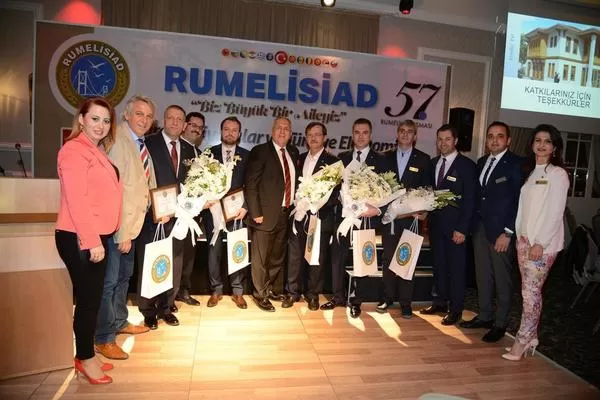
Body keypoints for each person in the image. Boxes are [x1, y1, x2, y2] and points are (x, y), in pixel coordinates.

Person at [55, 97, 122, 384]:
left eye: (106, 121)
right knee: (88, 301)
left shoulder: (96, 150)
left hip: (95, 236)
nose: (101, 125)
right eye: (95, 118)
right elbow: (77, 200)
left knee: (91, 299)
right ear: (81, 119)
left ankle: (87, 354)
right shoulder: (73, 150)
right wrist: (92, 241)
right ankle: (84, 358)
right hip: (81, 237)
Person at [94, 95, 157, 361]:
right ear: (127, 115)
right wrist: (122, 233)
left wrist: (159, 207)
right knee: (108, 283)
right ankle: (103, 338)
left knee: (123, 278)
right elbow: (115, 191)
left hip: (133, 226)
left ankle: (119, 321)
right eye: (139, 114)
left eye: (149, 116)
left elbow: (144, 183)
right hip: (117, 228)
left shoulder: (139, 142)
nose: (144, 120)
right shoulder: (119, 140)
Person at [502, 124, 569, 361]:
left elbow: (555, 212)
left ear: (555, 147)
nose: (542, 145)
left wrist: (540, 242)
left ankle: (522, 341)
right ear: (532, 144)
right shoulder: (530, 172)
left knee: (530, 294)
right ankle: (531, 337)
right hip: (524, 241)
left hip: (542, 245)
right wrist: (521, 236)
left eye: (547, 141)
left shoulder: (558, 174)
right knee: (529, 292)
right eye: (538, 140)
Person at [459, 121, 523, 343]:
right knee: (482, 275)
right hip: (479, 229)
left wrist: (508, 232)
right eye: (491, 136)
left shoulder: (516, 164)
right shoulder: (481, 162)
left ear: (508, 140)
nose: (494, 140)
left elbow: (519, 201)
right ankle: (485, 316)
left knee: (502, 279)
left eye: (500, 136)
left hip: (501, 233)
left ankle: (501, 323)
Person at [135, 105, 196, 329]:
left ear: (185, 125)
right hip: (153, 218)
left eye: (179, 120)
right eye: (171, 118)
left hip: (179, 220)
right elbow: (140, 179)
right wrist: (155, 208)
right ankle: (148, 310)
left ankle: (166, 307)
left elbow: (193, 184)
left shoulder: (190, 150)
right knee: (150, 262)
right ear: (164, 119)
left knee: (174, 264)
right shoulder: (148, 143)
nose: (175, 122)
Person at [320, 118, 385, 318]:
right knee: (337, 256)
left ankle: (357, 301)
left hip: (366, 218)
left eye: (365, 132)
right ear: (352, 134)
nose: (360, 136)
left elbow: (387, 190)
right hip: (344, 217)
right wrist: (340, 198)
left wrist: (377, 209)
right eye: (357, 132)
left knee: (361, 259)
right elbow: (335, 187)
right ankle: (338, 297)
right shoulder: (342, 157)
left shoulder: (380, 160)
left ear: (371, 135)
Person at [421, 124, 476, 326]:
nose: (443, 143)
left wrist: (462, 228)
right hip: (435, 226)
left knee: (456, 270)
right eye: (440, 139)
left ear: (456, 141)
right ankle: (439, 302)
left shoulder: (467, 166)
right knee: (439, 266)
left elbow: (470, 200)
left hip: (456, 229)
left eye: (447, 139)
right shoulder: (433, 163)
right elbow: (429, 194)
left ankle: (456, 309)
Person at [377, 120, 432, 318]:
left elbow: (427, 189)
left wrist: (424, 210)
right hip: (390, 218)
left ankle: (405, 302)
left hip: (411, 219)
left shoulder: (424, 159)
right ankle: (387, 297)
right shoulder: (385, 157)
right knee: (388, 258)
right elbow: (378, 187)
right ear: (397, 134)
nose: (405, 134)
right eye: (402, 131)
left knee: (407, 259)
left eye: (410, 132)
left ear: (415, 136)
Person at [245, 117, 299, 312]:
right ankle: (260, 294)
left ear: (291, 134)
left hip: (285, 214)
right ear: (272, 130)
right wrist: (255, 212)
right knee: (260, 259)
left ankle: (271, 289)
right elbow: (251, 184)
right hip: (264, 216)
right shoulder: (260, 151)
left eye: (286, 129)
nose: (282, 131)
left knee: (277, 257)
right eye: (279, 128)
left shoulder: (293, 152)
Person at [285, 122, 339, 311]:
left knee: (316, 258)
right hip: (299, 217)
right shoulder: (298, 159)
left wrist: (315, 204)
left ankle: (313, 295)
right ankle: (292, 292)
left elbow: (335, 193)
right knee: (295, 256)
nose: (313, 138)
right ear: (305, 138)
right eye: (310, 135)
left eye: (317, 134)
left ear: (325, 137)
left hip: (320, 217)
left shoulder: (333, 163)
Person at [203, 116, 250, 309]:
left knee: (237, 250)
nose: (230, 133)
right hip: (213, 212)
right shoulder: (208, 154)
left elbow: (251, 185)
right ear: (221, 131)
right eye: (227, 129)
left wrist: (246, 206)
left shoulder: (247, 156)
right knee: (213, 253)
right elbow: (201, 182)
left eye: (234, 130)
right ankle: (216, 290)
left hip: (237, 213)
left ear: (239, 134)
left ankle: (237, 291)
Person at [175, 111, 206, 307]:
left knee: (188, 256)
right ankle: (170, 295)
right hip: (178, 214)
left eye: (200, 127)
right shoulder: (177, 148)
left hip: (194, 215)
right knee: (176, 257)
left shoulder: (201, 154)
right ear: (185, 126)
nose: (196, 129)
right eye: (193, 125)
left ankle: (184, 291)